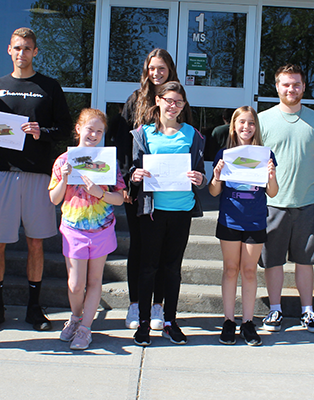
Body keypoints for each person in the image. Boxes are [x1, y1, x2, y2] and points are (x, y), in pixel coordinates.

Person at [0, 27, 72, 332]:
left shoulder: (49, 87)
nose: (22, 53)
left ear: (35, 52)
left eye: (27, 48)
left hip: (38, 174)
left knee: (36, 243)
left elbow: (65, 129)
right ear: (9, 50)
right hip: (3, 173)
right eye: (17, 48)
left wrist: (43, 132)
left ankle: (34, 307)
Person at [258, 64, 314, 334]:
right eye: (286, 84)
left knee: (305, 261)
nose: (291, 89)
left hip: (307, 203)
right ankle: (275, 310)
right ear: (277, 87)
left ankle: (307, 312)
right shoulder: (262, 120)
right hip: (272, 204)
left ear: (304, 86)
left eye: (296, 84)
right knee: (273, 260)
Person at [129, 81, 207, 346]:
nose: (173, 106)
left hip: (182, 210)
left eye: (179, 102)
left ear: (184, 106)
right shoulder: (144, 134)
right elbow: (132, 170)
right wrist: (135, 175)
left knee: (172, 270)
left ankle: (170, 322)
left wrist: (200, 178)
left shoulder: (193, 135)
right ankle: (142, 323)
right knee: (148, 268)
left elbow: (199, 172)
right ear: (158, 101)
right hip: (153, 211)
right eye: (169, 100)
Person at [108, 49, 178, 331]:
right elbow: (123, 144)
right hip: (137, 186)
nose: (156, 73)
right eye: (152, 68)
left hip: (167, 187)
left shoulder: (177, 100)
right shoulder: (134, 100)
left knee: (162, 250)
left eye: (162, 68)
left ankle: (158, 306)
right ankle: (136, 305)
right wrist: (124, 180)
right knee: (138, 247)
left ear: (170, 70)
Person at [49, 109, 125, 350]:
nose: (94, 134)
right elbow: (54, 199)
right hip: (73, 229)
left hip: (102, 228)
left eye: (99, 131)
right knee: (75, 284)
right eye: (90, 129)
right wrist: (64, 179)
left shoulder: (107, 161)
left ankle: (84, 329)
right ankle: (75, 317)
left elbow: (120, 198)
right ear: (78, 129)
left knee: (94, 281)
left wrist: (100, 193)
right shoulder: (63, 160)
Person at [209, 106, 278, 346]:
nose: (246, 127)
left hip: (255, 220)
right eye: (242, 123)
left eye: (251, 123)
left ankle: (248, 322)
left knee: (249, 271)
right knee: (230, 269)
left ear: (256, 127)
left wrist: (271, 176)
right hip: (230, 219)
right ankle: (229, 321)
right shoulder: (224, 154)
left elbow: (272, 191)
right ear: (234, 126)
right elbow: (213, 190)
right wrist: (217, 177)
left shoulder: (265, 155)